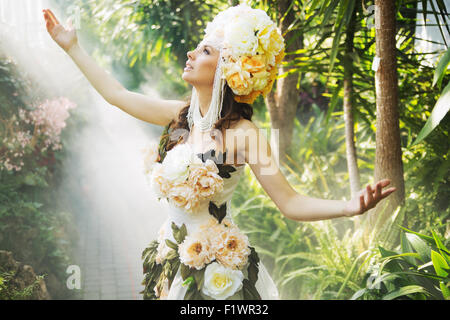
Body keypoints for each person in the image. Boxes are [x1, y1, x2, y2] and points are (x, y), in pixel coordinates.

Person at [43, 3, 396, 300]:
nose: (191, 54)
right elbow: (116, 95)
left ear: (227, 69)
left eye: (206, 51)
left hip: (218, 269)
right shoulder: (179, 116)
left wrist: (350, 207)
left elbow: (290, 202)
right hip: (174, 255)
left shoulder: (244, 135)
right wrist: (72, 46)